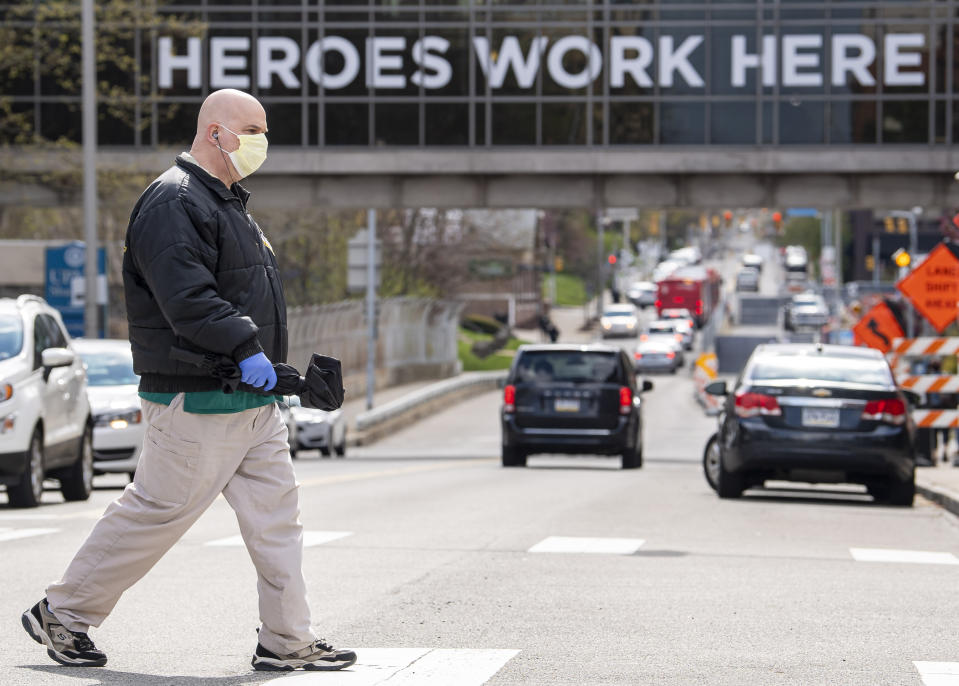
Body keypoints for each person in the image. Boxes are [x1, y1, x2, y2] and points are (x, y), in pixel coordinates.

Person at [20, 89, 356, 673]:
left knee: (278, 521)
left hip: (249, 399)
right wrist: (246, 348)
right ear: (216, 132)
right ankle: (63, 612)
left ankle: (286, 638)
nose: (262, 142)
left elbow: (229, 293)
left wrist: (276, 374)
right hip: (197, 397)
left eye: (264, 130)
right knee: (157, 513)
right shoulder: (173, 201)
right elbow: (188, 299)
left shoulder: (225, 203)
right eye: (252, 129)